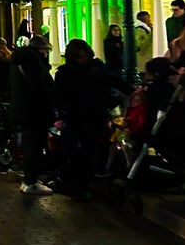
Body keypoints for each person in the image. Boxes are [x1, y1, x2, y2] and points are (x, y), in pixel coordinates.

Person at [52, 38, 129, 200]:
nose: (83, 60)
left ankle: (83, 184)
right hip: (76, 117)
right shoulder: (66, 73)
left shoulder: (96, 68)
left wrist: (131, 89)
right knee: (78, 152)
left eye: (85, 56)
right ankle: (78, 185)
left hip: (96, 115)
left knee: (91, 149)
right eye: (79, 57)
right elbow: (59, 97)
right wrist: (59, 116)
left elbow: (114, 80)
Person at [8, 35, 56, 195]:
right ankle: (31, 180)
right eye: (45, 50)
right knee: (35, 145)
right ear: (39, 49)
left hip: (23, 110)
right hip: (35, 111)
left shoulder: (19, 60)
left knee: (29, 144)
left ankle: (29, 179)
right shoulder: (33, 62)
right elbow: (40, 87)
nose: (46, 54)